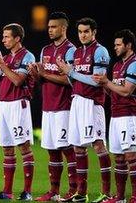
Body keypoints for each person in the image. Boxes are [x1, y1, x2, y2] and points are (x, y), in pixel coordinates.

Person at [57, 17, 111, 203]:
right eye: (80, 32)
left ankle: (107, 193)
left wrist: (70, 72)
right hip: (77, 101)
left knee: (98, 145)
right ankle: (82, 192)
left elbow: (98, 80)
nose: (82, 35)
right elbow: (76, 81)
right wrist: (68, 73)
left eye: (86, 31)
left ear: (94, 32)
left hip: (92, 103)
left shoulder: (100, 51)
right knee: (78, 148)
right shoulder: (78, 52)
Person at [28, 12, 78, 201]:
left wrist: (44, 75)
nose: (50, 30)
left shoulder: (71, 51)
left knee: (67, 149)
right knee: (52, 150)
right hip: (48, 107)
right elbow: (41, 79)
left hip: (64, 107)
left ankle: (74, 189)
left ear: (64, 28)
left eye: (54, 27)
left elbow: (70, 79)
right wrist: (35, 74)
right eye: (49, 27)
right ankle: (54, 191)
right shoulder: (45, 50)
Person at [0, 23, 35, 200]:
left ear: (17, 38)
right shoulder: (6, 58)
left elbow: (18, 81)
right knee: (7, 149)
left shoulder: (27, 56)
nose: (3, 40)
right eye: (3, 36)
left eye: (7, 36)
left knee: (24, 147)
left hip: (18, 104)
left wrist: (3, 66)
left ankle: (27, 192)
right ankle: (7, 192)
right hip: (3, 105)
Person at [93, 29, 136, 203]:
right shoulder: (117, 66)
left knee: (131, 157)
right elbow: (115, 91)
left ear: (128, 45)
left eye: (119, 45)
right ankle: (119, 197)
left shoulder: (134, 64)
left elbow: (127, 91)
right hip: (116, 116)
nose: (115, 48)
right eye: (115, 44)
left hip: (129, 116)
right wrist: (104, 86)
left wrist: (107, 82)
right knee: (118, 157)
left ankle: (134, 196)